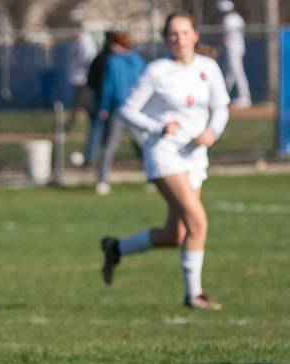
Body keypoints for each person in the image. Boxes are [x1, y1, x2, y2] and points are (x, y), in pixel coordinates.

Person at [101, 13, 229, 310]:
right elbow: (127, 110)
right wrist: (157, 127)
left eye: (184, 33)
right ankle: (194, 295)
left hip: (195, 156)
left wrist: (213, 131)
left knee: (177, 234)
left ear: (195, 35)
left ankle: (115, 248)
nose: (179, 39)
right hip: (164, 153)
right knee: (198, 221)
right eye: (173, 34)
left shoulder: (208, 68)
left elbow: (221, 106)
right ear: (165, 39)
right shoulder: (157, 71)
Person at [95, 32, 145, 195]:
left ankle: (103, 181)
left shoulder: (116, 61)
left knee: (113, 145)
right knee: (138, 145)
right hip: (132, 109)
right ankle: (154, 178)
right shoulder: (137, 61)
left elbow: (108, 87)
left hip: (123, 109)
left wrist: (104, 106)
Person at [83, 32, 115, 167]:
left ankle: (96, 158)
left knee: (108, 132)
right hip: (102, 101)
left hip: (111, 101)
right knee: (98, 129)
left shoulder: (111, 59)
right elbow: (92, 81)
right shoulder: (104, 59)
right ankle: (91, 158)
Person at [218, 0, 251, 107]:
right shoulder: (237, 17)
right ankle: (223, 96)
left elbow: (226, 34)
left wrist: (217, 45)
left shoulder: (229, 18)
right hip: (238, 46)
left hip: (233, 47)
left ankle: (245, 97)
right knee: (230, 72)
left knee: (237, 72)